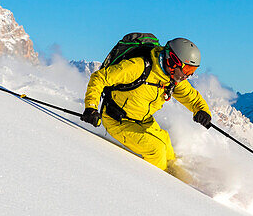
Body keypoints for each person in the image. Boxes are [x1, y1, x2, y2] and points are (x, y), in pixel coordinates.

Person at [80, 37, 213, 172]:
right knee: (156, 149)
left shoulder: (172, 78)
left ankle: (176, 178)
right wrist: (91, 107)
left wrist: (202, 111)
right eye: (187, 70)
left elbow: (192, 98)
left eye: (192, 71)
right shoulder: (138, 67)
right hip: (117, 120)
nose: (187, 76)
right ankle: (160, 186)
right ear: (173, 60)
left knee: (165, 143)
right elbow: (100, 78)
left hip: (143, 120)